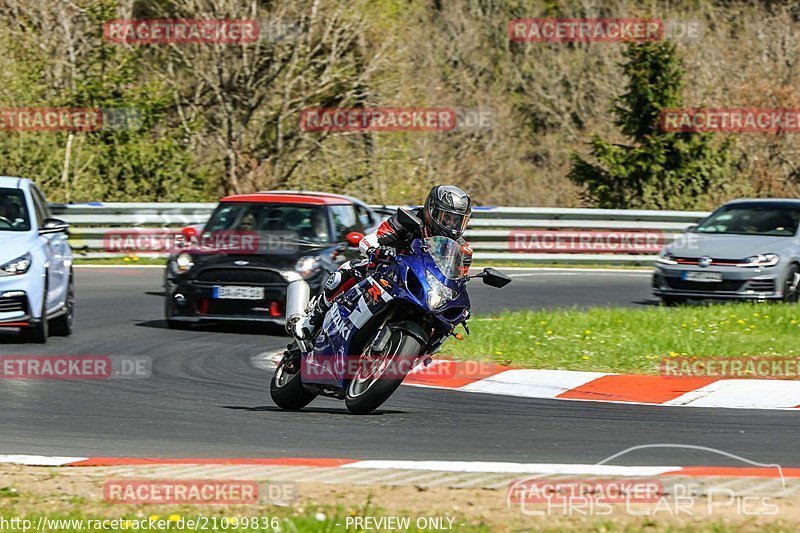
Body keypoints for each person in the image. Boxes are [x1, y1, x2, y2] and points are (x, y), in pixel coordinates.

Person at [291, 185, 473, 339]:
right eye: (446, 218)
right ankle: (312, 319)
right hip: (387, 271)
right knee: (347, 269)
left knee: (445, 324)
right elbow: (374, 238)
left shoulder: (462, 250)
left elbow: (457, 280)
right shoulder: (408, 219)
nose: (451, 225)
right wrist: (374, 249)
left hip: (423, 287)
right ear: (431, 211)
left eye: (457, 221)